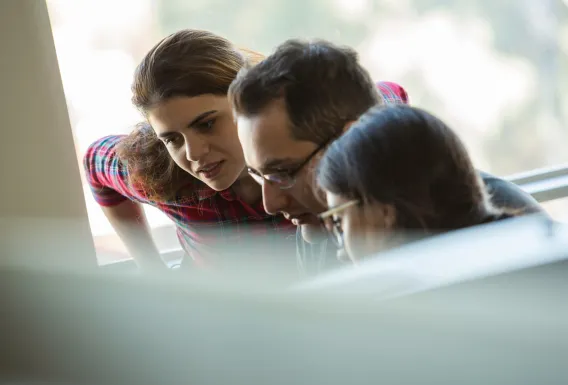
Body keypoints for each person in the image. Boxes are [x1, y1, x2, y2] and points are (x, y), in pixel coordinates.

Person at [229, 39, 544, 276]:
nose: (270, 204)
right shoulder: (316, 229)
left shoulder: (498, 222)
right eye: (259, 176)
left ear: (349, 139)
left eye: (283, 172)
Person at [84, 29, 294, 271]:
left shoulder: (313, 153)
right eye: (173, 139)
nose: (193, 154)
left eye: (207, 124)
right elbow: (93, 162)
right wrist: (152, 268)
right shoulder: (161, 170)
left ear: (250, 100)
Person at [316, 105, 519, 263]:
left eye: (339, 222)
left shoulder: (425, 307)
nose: (342, 253)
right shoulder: (523, 244)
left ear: (385, 213)